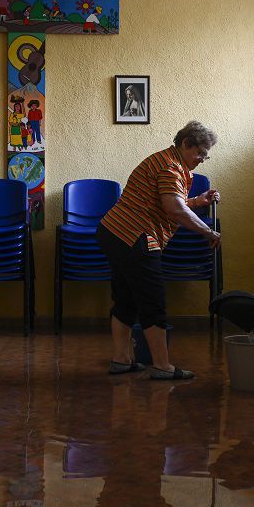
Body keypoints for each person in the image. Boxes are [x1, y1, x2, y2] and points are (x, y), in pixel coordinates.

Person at [96, 121, 221, 380]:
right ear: (186, 144)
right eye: (200, 153)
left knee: (126, 298)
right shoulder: (170, 167)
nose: (202, 160)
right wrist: (208, 232)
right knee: (153, 300)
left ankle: (121, 360)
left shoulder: (167, 161)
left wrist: (198, 201)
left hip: (115, 232)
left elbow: (168, 202)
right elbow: (174, 209)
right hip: (135, 236)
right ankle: (162, 366)